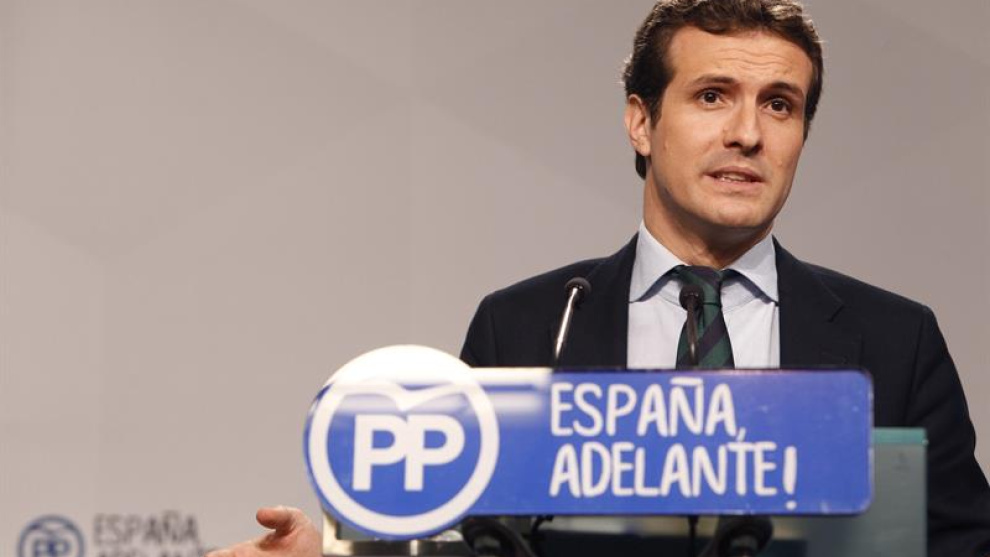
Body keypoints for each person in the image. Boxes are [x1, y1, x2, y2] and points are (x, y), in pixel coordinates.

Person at [209, 1, 990, 557]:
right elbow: (474, 545)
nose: (748, 133)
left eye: (779, 105)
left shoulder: (897, 339)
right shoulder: (524, 327)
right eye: (712, 96)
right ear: (641, 122)